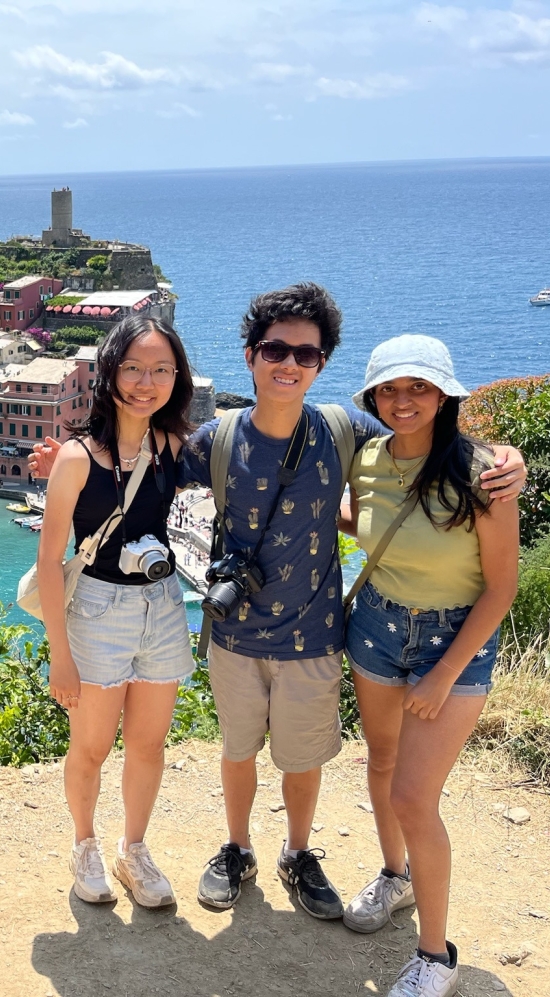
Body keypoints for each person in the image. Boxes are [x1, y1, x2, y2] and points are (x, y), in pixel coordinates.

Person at [29, 286, 526, 926]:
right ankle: (234, 848)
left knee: (303, 755)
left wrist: (502, 457)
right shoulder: (215, 437)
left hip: (315, 632)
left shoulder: (347, 429)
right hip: (232, 634)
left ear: (323, 364)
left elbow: (421, 436)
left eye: (306, 353)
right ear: (251, 356)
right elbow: (127, 476)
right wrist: (59, 464)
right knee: (236, 750)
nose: (289, 363)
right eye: (275, 349)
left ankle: (296, 851)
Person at [340, 335, 519, 997]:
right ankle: (396, 876)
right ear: (374, 398)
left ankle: (436, 955)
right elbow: (364, 521)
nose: (403, 400)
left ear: (444, 394)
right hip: (377, 627)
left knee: (415, 796)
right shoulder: (369, 458)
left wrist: (445, 672)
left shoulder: (485, 474)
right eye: (390, 389)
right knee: (381, 764)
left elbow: (502, 587)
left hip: (455, 639)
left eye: (417, 387)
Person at [36, 315, 195, 908]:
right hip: (98, 611)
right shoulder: (78, 458)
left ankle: (135, 848)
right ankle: (85, 845)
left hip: (162, 606)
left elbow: (253, 456)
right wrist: (60, 654)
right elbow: (50, 560)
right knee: (93, 746)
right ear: (110, 372)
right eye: (132, 367)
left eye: (160, 369)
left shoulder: (175, 445)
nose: (145, 381)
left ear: (176, 378)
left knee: (149, 745)